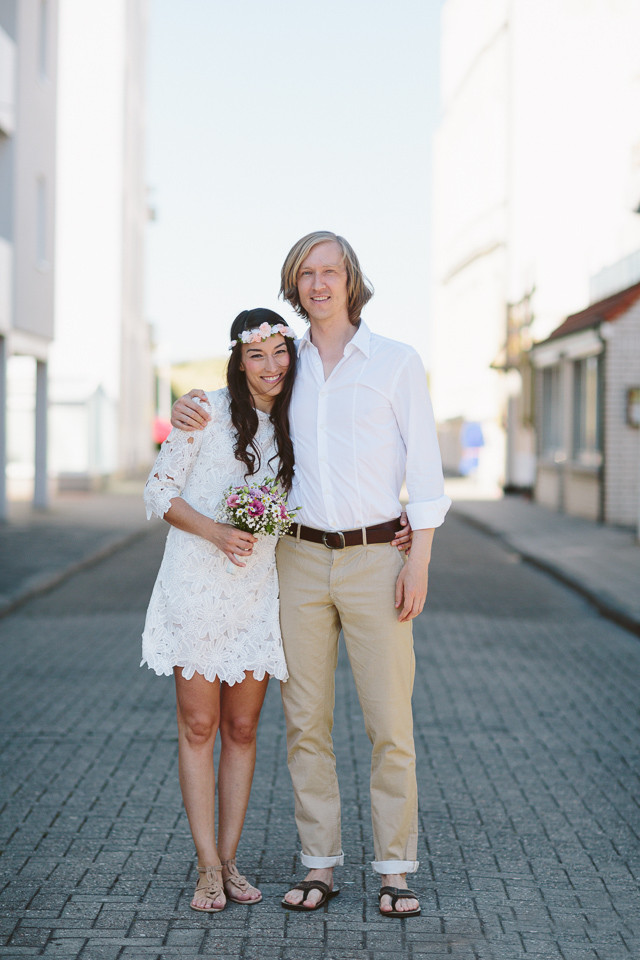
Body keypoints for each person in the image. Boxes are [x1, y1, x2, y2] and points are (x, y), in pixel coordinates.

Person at [171, 231, 451, 918]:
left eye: (329, 271)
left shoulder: (395, 362)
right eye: (305, 274)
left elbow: (427, 473)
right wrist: (187, 407)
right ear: (292, 287)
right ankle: (319, 864)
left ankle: (395, 870)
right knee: (305, 723)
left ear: (352, 280)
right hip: (295, 559)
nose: (318, 284)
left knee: (389, 721)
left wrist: (418, 559)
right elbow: (234, 394)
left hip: (377, 556)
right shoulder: (284, 366)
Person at [142, 308, 297, 913]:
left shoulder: (295, 420)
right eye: (256, 355)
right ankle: (206, 866)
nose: (270, 366)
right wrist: (215, 532)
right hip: (197, 587)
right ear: (238, 358)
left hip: (255, 594)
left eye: (279, 352)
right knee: (199, 727)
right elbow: (158, 492)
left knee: (243, 729)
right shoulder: (203, 410)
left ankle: (231, 861)